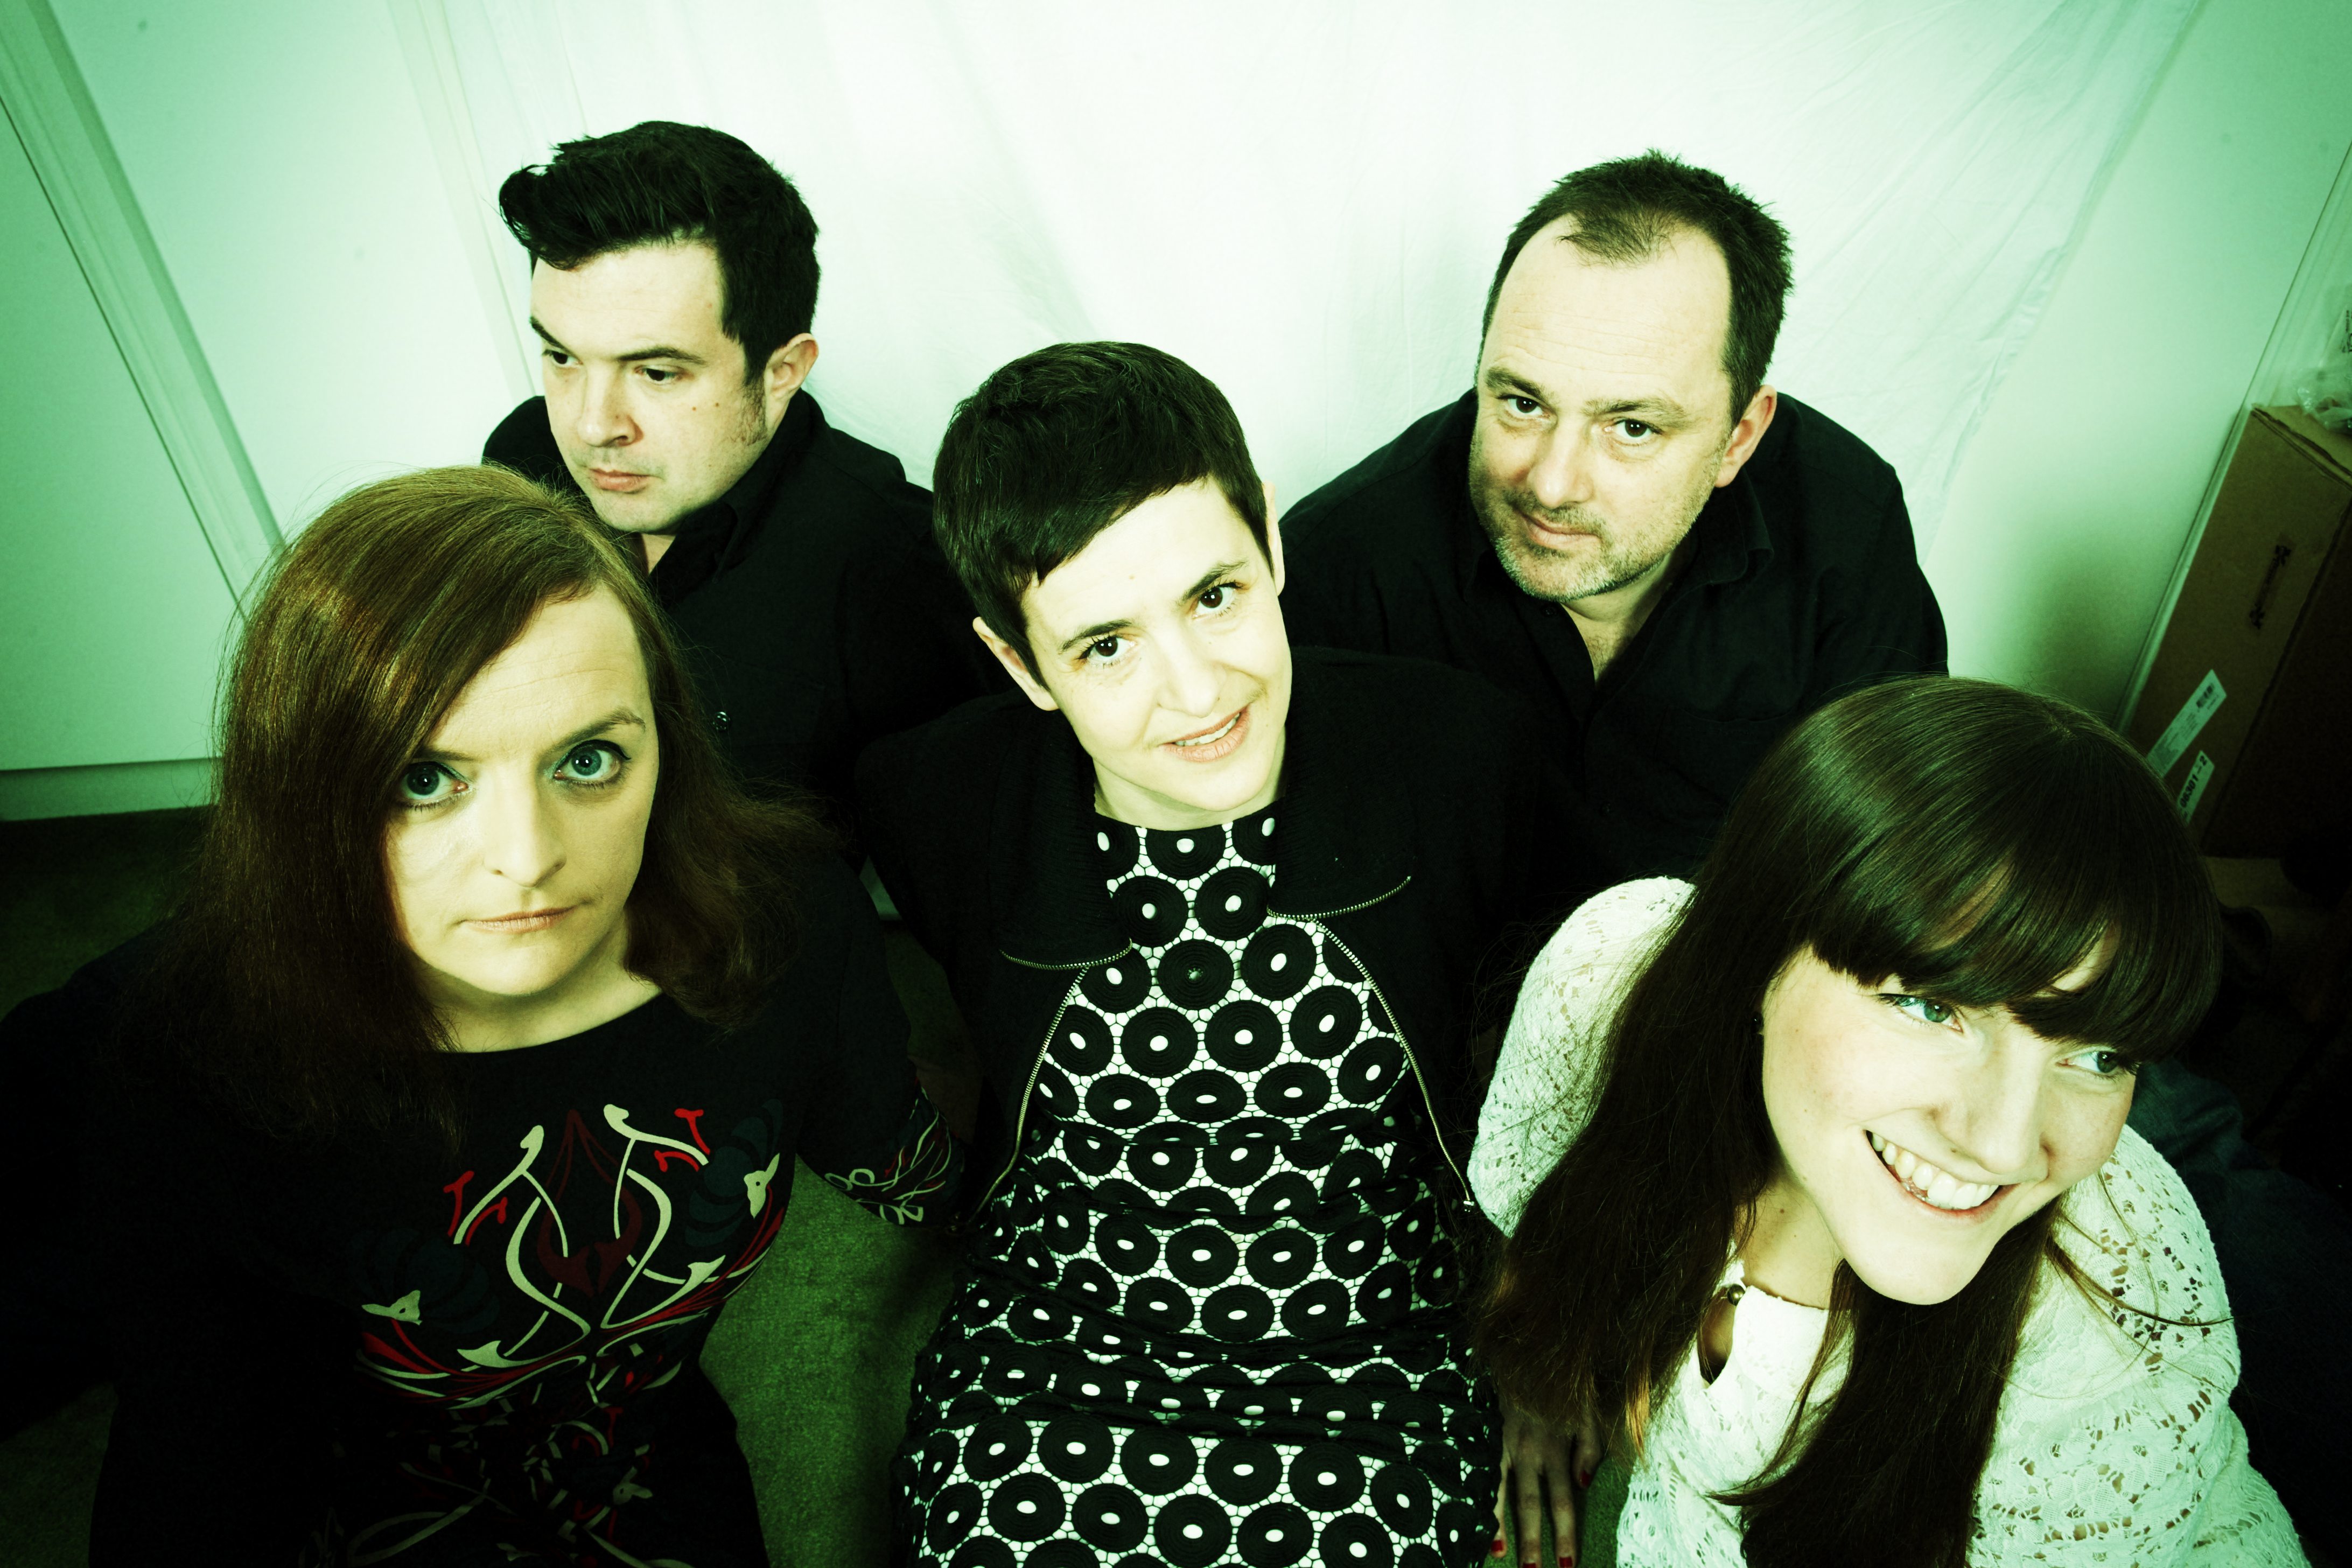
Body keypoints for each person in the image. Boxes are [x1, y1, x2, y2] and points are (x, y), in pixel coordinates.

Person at [59, 466, 957, 1565]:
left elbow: (892, 1152)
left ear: (666, 747)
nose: (527, 858)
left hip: (644, 1464)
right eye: (425, 779)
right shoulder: (183, 1048)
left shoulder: (787, 920)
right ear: (307, 786)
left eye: (590, 760)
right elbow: (199, 1460)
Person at [858, 342, 1585, 1565]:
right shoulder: (941, 798)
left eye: (1214, 596)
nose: (1196, 690)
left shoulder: (1459, 755)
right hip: (1053, 1361)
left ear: (1273, 550)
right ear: (1021, 666)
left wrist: (1544, 1337)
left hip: (1376, 1365)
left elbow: (1575, 1051)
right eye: (1104, 645)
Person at [1469, 677, 2301, 1566]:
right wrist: (1544, 1392)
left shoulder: (2114, 1342)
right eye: (1934, 1007)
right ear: (1753, 952)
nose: (2004, 1146)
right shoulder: (1608, 980)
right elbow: (1545, 1216)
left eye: (2101, 1057)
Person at [1281, 151, 1944, 884]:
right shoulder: (1338, 570)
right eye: (1523, 403)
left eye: (1632, 427)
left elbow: (1888, 849)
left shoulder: (1844, 524)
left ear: (1739, 438)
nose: (1552, 484)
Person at [482, 120, 995, 836]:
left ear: (782, 372)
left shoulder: (894, 567)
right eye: (563, 358)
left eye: (656, 372)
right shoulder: (523, 464)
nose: (593, 426)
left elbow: (976, 851)